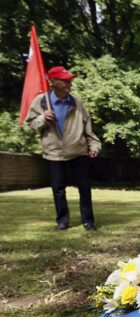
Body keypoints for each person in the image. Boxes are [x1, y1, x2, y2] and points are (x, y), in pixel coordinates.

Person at [25, 66, 101, 231]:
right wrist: (43, 118)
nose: (69, 84)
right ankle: (62, 221)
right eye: (65, 81)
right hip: (53, 154)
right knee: (58, 189)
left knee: (84, 187)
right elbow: (31, 124)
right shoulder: (41, 101)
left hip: (78, 152)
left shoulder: (77, 102)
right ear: (54, 82)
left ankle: (88, 221)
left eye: (70, 81)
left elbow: (87, 127)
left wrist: (94, 145)